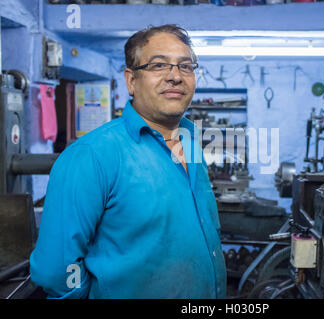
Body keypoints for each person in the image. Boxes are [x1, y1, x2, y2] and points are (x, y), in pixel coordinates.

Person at [30, 24, 226, 299]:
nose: (175, 77)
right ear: (131, 80)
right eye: (159, 65)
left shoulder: (192, 141)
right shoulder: (92, 156)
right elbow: (56, 270)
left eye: (186, 66)